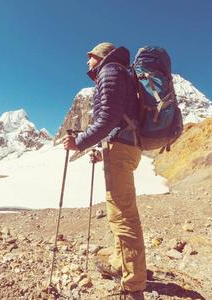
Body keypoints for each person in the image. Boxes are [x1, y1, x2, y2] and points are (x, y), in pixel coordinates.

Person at [63, 42, 146, 300]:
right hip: (123, 147)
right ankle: (123, 265)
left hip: (121, 148)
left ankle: (134, 288)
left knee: (123, 216)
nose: (87, 63)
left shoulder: (109, 71)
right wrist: (102, 152)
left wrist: (79, 142)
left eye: (89, 58)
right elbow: (117, 118)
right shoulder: (118, 72)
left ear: (99, 57)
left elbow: (108, 117)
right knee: (118, 212)